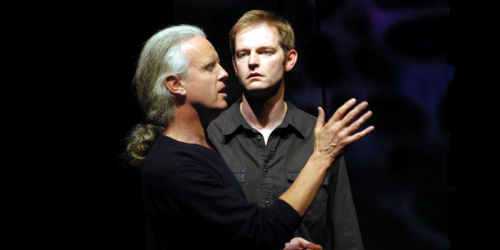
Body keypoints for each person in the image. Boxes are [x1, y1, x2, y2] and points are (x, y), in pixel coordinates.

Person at [126, 24, 373, 250]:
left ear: (289, 59)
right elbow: (259, 231)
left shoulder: (204, 147)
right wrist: (322, 156)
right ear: (175, 84)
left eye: (265, 51)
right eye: (209, 67)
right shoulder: (177, 164)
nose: (224, 74)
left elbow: (231, 236)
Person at [208, 10, 367, 250]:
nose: (252, 61)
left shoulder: (322, 138)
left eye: (265, 52)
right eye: (243, 54)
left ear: (290, 59)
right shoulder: (212, 136)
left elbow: (345, 233)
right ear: (234, 65)